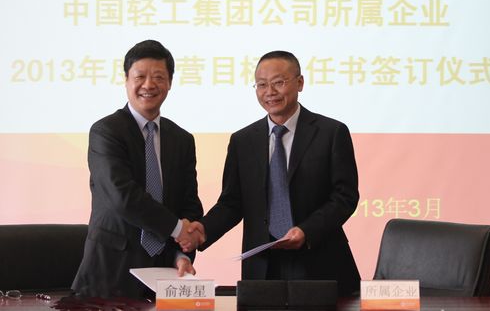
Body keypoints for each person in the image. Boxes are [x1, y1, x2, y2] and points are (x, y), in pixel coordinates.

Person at [181, 50, 360, 295]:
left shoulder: (331, 132)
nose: (270, 92)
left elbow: (345, 196)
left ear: (300, 83)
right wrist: (204, 229)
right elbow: (232, 203)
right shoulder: (243, 141)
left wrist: (307, 230)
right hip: (262, 265)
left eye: (278, 82)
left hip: (319, 259)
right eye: (262, 85)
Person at [72, 40, 203, 298]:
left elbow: (189, 203)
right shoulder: (106, 131)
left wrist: (182, 253)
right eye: (140, 76)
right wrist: (179, 230)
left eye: (158, 77)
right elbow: (123, 197)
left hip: (165, 275)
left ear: (170, 82)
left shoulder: (182, 139)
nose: (148, 85)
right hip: (109, 274)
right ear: (126, 80)